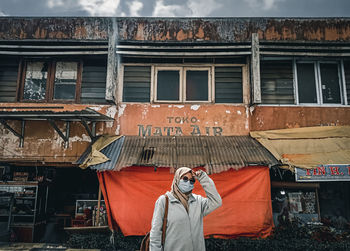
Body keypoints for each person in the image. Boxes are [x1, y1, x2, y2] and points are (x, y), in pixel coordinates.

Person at [150, 167, 222, 251]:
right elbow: (155, 233)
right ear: (177, 178)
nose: (188, 182)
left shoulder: (198, 201)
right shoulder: (164, 201)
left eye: (192, 180)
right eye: (184, 179)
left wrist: (202, 178)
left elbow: (216, 201)